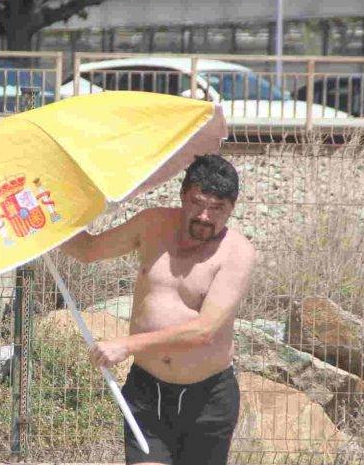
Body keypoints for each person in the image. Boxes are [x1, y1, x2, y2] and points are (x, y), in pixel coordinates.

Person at [60, 154, 256, 465]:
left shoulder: (238, 253)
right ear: (183, 196)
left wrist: (127, 345)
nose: (205, 216)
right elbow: (88, 250)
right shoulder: (152, 224)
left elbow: (204, 330)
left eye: (217, 208)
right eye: (197, 203)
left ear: (232, 208)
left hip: (207, 401)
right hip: (147, 393)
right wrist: (46, 220)